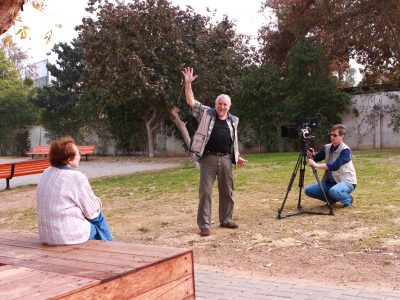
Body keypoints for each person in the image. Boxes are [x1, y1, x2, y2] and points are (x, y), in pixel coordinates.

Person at [182, 67, 247, 237]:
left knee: (227, 191)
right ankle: (204, 225)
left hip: (226, 159)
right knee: (205, 192)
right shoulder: (206, 113)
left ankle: (226, 219)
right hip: (208, 158)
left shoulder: (234, 121)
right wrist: (188, 83)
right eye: (220, 103)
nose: (222, 106)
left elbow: (233, 140)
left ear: (229, 106)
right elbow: (191, 101)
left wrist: (237, 155)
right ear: (216, 104)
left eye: (225, 104)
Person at [36, 136, 113, 245]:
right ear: (69, 159)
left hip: (46, 235)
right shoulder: (77, 177)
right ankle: (111, 248)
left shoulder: (46, 172)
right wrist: (98, 202)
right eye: (78, 153)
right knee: (98, 218)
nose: (80, 156)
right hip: (66, 235)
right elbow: (92, 212)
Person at [305, 124, 357, 207]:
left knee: (334, 191)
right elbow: (316, 158)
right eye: (331, 135)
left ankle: (348, 199)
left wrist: (316, 165)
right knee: (308, 190)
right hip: (330, 182)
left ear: (342, 136)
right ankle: (332, 199)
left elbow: (335, 166)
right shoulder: (327, 147)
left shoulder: (345, 150)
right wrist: (310, 154)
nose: (332, 137)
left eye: (335, 135)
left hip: (347, 181)